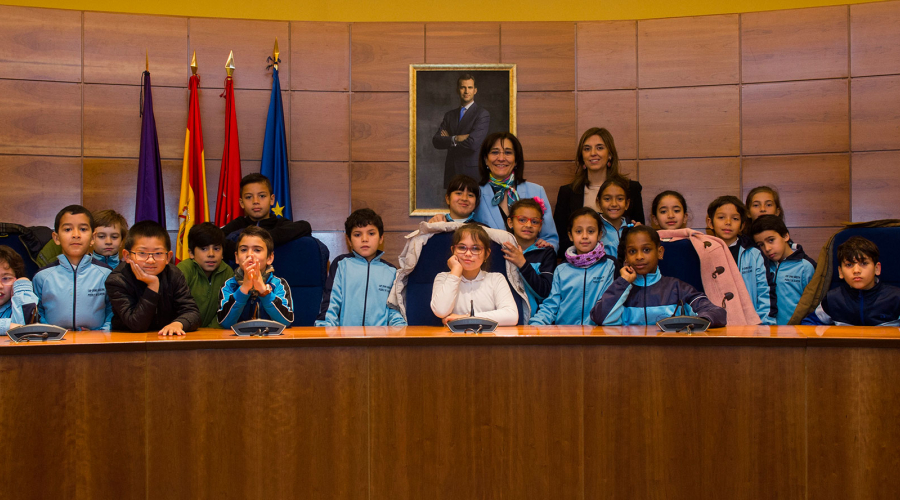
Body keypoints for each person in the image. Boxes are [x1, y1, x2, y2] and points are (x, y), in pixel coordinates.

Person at [591, 226, 726, 327]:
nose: (639, 257)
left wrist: (694, 324)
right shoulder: (620, 289)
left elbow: (717, 313)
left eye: (646, 250)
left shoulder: (678, 288)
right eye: (632, 251)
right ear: (626, 257)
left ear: (660, 252)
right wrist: (623, 283)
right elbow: (599, 317)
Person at [554, 127, 644, 258]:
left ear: (610, 154)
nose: (593, 153)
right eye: (587, 149)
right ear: (582, 157)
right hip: (581, 265)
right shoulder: (567, 192)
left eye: (600, 148)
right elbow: (562, 237)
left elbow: (640, 230)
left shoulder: (631, 189)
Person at [106, 221, 200, 335]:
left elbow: (192, 312)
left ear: (168, 257)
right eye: (142, 253)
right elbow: (136, 324)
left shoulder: (174, 274)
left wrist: (179, 323)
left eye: (158, 253)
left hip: (166, 341)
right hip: (127, 344)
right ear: (127, 256)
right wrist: (152, 286)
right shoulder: (117, 280)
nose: (150, 260)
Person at [316, 209, 406, 327]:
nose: (364, 239)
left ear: (381, 238)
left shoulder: (391, 271)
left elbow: (394, 311)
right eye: (357, 234)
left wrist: (401, 332)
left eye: (371, 233)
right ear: (349, 240)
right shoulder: (341, 264)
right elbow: (330, 305)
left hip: (380, 341)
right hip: (345, 340)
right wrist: (324, 334)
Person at [472, 132, 559, 250]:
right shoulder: (475, 194)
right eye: (495, 152)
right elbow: (462, 223)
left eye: (508, 152)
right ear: (486, 160)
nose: (501, 158)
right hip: (492, 265)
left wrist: (543, 250)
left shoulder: (536, 191)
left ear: (516, 160)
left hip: (531, 265)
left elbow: (551, 239)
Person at [529, 208, 616, 326]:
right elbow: (551, 306)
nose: (585, 236)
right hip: (566, 336)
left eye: (591, 231)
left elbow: (611, 304)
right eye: (578, 231)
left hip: (598, 336)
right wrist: (535, 326)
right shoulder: (561, 269)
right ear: (570, 235)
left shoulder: (609, 265)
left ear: (599, 234)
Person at [33, 205, 113, 330]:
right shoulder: (42, 276)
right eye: (68, 229)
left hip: (97, 344)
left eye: (83, 229)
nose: (76, 235)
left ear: (93, 238)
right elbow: (37, 312)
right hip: (53, 344)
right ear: (56, 238)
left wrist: (101, 333)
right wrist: (50, 332)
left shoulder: (106, 274)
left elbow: (112, 310)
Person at [430, 223, 518, 326]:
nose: (468, 254)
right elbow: (441, 311)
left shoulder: (496, 279)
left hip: (490, 338)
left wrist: (467, 318)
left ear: (487, 254)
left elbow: (512, 316)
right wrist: (456, 271)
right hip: (453, 339)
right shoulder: (443, 278)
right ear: (453, 250)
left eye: (475, 249)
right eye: (462, 248)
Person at [706, 196, 775, 325]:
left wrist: (764, 327)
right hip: (713, 325)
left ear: (742, 225)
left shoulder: (754, 254)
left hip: (750, 325)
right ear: (710, 223)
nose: (728, 222)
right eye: (721, 217)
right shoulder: (702, 253)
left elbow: (765, 292)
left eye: (735, 219)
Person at [802, 236, 900, 326]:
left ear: (877, 268)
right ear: (840, 272)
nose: (856, 270)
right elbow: (809, 323)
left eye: (864, 263)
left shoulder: (896, 297)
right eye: (849, 265)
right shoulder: (833, 299)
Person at [217, 227, 294, 328]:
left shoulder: (279, 284)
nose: (249, 255)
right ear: (236, 257)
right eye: (244, 250)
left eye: (257, 250)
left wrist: (263, 291)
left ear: (269, 258)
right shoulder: (229, 285)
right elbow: (225, 323)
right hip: (238, 342)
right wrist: (244, 289)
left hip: (272, 341)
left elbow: (286, 321)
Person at [221, 173, 312, 256]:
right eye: (249, 197)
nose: (255, 201)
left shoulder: (279, 223)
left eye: (262, 196)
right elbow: (215, 238)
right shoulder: (238, 224)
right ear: (241, 203)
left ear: (272, 199)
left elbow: (305, 226)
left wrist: (264, 238)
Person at [750, 215, 816, 325]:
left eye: (771, 240)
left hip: (797, 332)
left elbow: (814, 304)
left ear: (785, 236)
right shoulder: (762, 265)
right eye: (761, 245)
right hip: (767, 331)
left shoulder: (805, 266)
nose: (767, 248)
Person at [432, 74, 491, 187]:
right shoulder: (449, 115)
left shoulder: (482, 114)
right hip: (452, 171)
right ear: (457, 90)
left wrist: (449, 140)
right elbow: (436, 141)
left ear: (475, 90)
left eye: (469, 87)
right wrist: (456, 138)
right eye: (463, 87)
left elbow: (472, 144)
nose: (466, 91)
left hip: (471, 172)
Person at [502, 198, 556, 316]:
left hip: (534, 321)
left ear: (540, 226)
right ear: (510, 222)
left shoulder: (546, 253)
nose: (528, 225)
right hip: (506, 318)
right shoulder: (501, 250)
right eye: (522, 220)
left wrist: (522, 263)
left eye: (534, 222)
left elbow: (544, 292)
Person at [176, 222, 234, 329]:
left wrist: (208, 333)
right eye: (204, 249)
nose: (211, 254)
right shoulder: (183, 270)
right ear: (191, 253)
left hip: (214, 336)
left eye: (216, 249)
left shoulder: (228, 272)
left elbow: (227, 311)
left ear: (222, 253)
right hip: (182, 332)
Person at [0, 246, 38, 334]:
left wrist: (22, 287)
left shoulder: (17, 302)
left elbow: (24, 329)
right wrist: (7, 326)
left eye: (6, 278)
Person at [597, 176, 634, 259]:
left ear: (627, 204)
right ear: (598, 202)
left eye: (620, 199)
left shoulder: (633, 229)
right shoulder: (593, 228)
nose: (614, 204)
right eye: (607, 199)